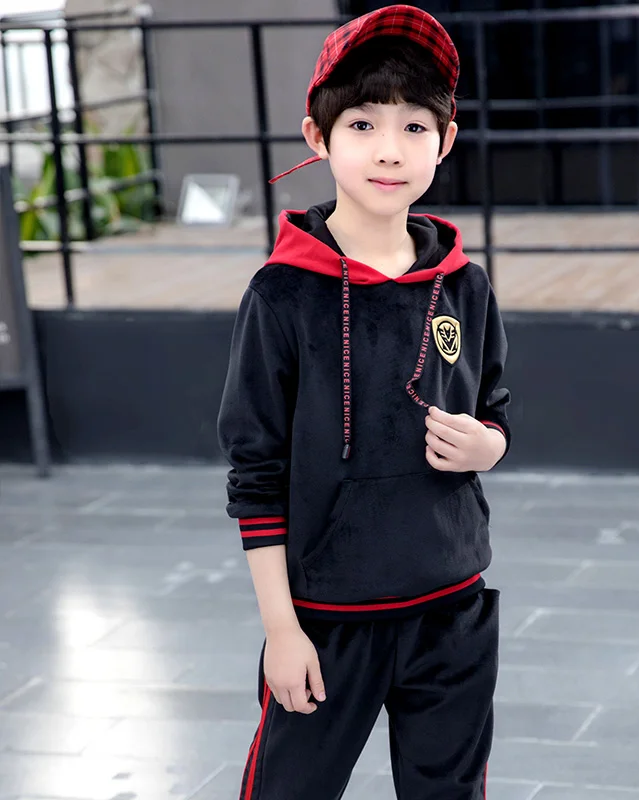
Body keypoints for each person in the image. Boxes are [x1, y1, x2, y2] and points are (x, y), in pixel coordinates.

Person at [217, 6, 511, 799]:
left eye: (416, 127)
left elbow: (494, 406)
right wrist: (282, 630)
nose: (390, 149)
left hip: (451, 608)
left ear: (445, 141)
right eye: (363, 124)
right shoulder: (281, 295)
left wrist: (489, 445)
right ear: (318, 137)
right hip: (325, 618)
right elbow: (254, 473)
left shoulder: (466, 284)